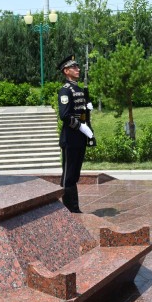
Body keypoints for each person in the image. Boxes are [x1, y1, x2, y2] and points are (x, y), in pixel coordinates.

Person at [57, 55, 94, 213]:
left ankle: (75, 207)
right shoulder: (65, 90)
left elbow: (80, 112)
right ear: (66, 71)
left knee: (75, 174)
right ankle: (69, 209)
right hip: (71, 137)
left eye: (78, 67)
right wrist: (80, 126)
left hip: (79, 137)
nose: (78, 69)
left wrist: (87, 110)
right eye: (74, 67)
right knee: (69, 176)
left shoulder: (79, 89)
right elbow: (65, 115)